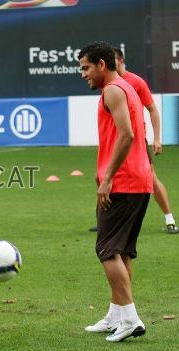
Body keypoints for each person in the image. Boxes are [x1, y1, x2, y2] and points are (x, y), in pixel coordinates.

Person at [78, 41, 152, 342]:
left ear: (101, 65)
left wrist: (107, 178)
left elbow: (127, 135)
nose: (83, 74)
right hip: (138, 180)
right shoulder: (123, 86)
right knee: (121, 251)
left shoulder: (112, 90)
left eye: (85, 68)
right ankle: (117, 314)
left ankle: (131, 318)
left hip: (123, 183)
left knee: (106, 250)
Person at [112, 47, 178, 234]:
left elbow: (152, 109)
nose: (110, 63)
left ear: (121, 61)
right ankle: (106, 221)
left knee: (151, 179)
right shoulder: (108, 83)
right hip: (116, 140)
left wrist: (157, 138)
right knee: (106, 176)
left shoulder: (136, 82)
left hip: (137, 141)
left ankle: (169, 219)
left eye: (113, 60)